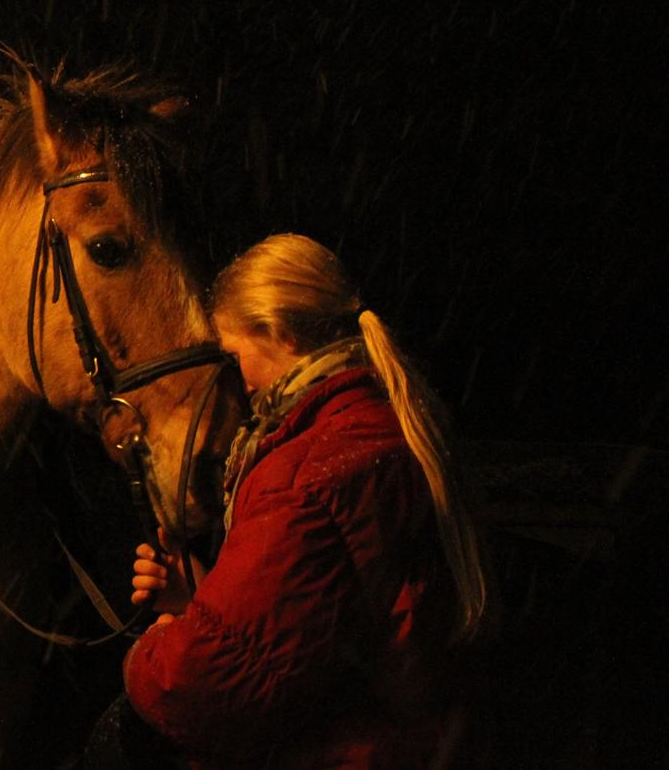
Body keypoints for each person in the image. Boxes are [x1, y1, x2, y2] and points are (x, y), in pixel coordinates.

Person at [118, 233, 487, 768]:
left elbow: (200, 685)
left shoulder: (305, 471)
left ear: (279, 333)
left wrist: (153, 650)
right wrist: (197, 597)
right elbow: (327, 622)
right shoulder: (385, 421)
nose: (232, 379)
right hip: (430, 741)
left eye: (232, 355)